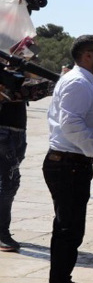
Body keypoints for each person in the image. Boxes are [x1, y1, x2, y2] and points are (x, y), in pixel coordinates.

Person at [39, 35, 93, 283]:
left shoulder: (84, 81)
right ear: (87, 55)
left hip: (73, 163)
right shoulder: (78, 83)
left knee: (70, 231)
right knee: (67, 232)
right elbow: (71, 125)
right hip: (67, 164)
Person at [0, 90, 29, 253]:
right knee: (7, 183)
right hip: (4, 131)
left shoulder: (18, 70)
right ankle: (2, 233)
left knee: (11, 183)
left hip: (18, 130)